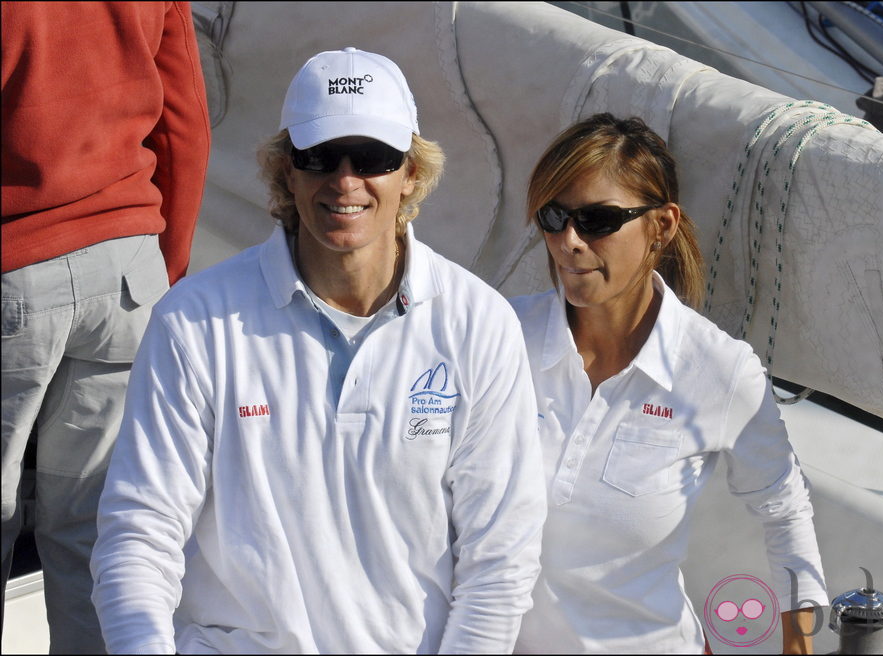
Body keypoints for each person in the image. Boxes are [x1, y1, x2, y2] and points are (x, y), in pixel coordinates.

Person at [89, 47, 546, 654]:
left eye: (374, 158)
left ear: (411, 173)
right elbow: (139, 536)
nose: (345, 180)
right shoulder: (193, 323)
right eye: (320, 156)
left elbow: (501, 559)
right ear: (287, 172)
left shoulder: (479, 325)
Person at [509, 113, 828, 654]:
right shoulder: (501, 335)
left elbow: (786, 510)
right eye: (554, 216)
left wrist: (799, 647)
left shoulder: (720, 370)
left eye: (597, 220)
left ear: (662, 225)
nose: (568, 241)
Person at [1, 2, 210, 652]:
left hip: (13, 265)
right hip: (128, 269)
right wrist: (163, 268)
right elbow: (184, 125)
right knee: (95, 535)